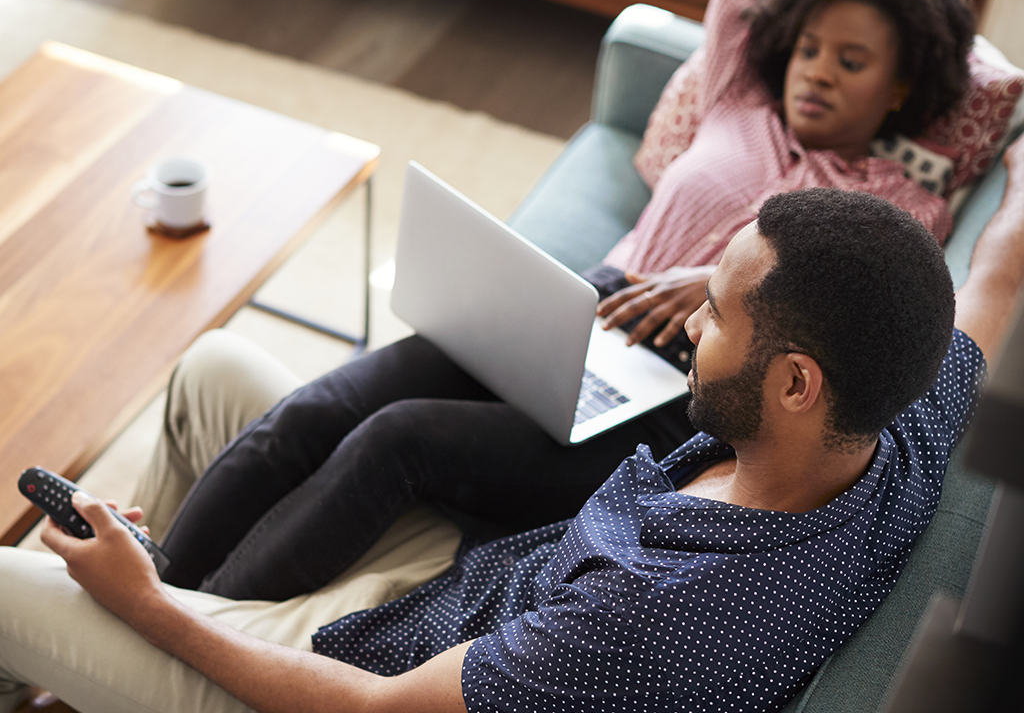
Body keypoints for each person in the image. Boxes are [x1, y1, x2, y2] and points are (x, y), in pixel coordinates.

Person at [127, 0, 981, 604]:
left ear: (901, 87)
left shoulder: (893, 202)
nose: (818, 70)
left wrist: (710, 282)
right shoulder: (737, 101)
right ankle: (153, 581)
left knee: (397, 438)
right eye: (808, 48)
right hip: (586, 306)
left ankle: (183, 626)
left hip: (684, 386)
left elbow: (864, 303)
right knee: (319, 409)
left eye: (852, 61)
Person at [2, 178, 1023, 713]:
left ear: (796, 384)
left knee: (11, 587)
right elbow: (998, 273)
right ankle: (110, 641)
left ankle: (126, 621)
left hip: (353, 673)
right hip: (463, 583)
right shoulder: (898, 425)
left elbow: (377, 710)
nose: (687, 326)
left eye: (714, 314)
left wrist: (145, 606)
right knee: (214, 369)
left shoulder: (657, 619)